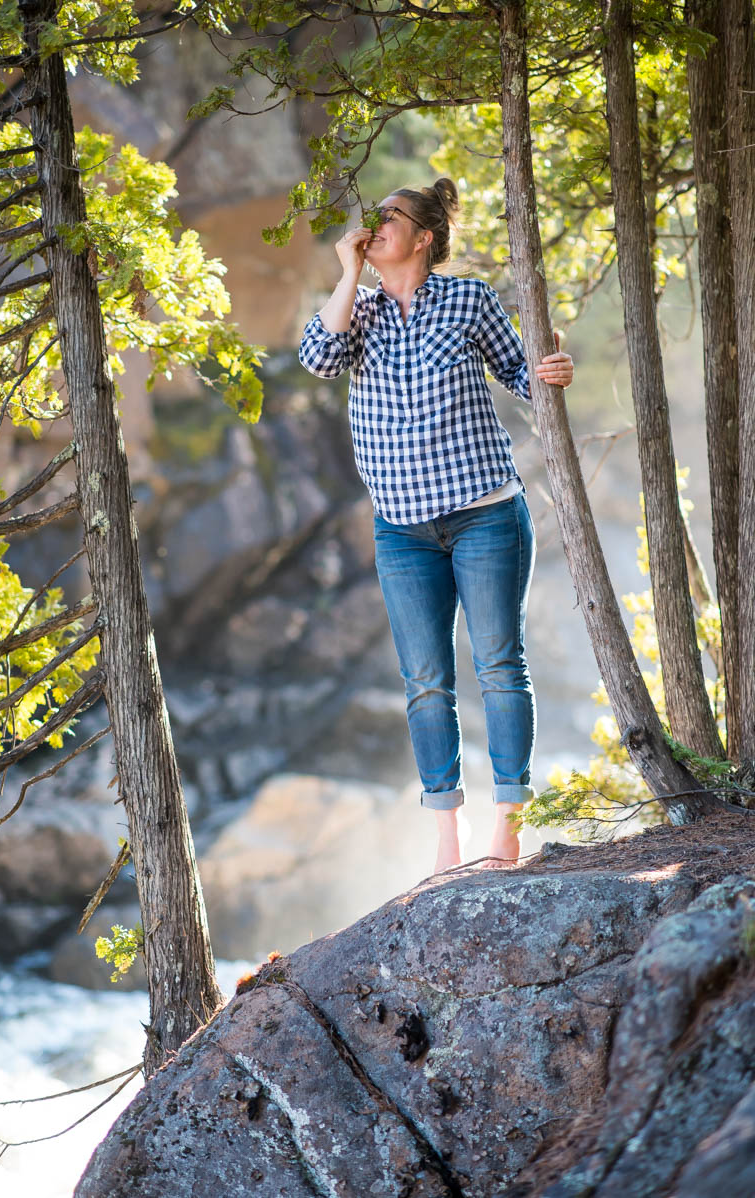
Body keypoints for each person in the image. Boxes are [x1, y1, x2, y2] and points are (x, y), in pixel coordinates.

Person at [299, 178, 573, 874]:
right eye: (376, 218)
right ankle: (447, 838)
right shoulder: (354, 310)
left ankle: (508, 829)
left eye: (391, 217)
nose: (376, 224)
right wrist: (348, 270)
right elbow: (317, 358)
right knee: (425, 681)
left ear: (423, 237)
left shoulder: (468, 300)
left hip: (485, 515)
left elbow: (523, 374)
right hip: (401, 530)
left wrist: (553, 370)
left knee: (499, 667)